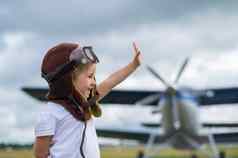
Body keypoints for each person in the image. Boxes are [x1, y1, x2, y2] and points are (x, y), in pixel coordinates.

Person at [34, 42, 141, 158]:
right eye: (90, 77)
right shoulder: (50, 113)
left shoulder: (84, 105)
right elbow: (40, 155)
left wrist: (133, 65)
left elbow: (110, 82)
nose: (94, 82)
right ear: (67, 81)